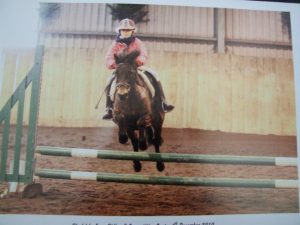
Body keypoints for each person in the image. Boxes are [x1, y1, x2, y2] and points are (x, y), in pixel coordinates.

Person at [103, 18, 174, 120]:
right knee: (109, 80)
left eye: (128, 30)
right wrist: (114, 64)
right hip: (122, 69)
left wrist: (138, 61)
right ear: (119, 31)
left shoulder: (137, 42)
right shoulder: (115, 44)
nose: (125, 32)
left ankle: (163, 102)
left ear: (132, 31)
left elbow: (144, 53)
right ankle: (109, 107)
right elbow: (109, 57)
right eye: (123, 30)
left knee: (154, 74)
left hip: (136, 67)